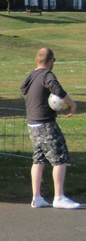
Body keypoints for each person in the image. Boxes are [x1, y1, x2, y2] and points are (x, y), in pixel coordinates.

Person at [20, 47, 80, 209]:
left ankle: (36, 197)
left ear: (36, 60)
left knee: (38, 159)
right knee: (60, 157)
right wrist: (71, 104)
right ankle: (59, 197)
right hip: (45, 124)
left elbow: (23, 90)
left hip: (32, 124)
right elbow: (57, 89)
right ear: (51, 61)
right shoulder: (47, 75)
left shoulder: (31, 76)